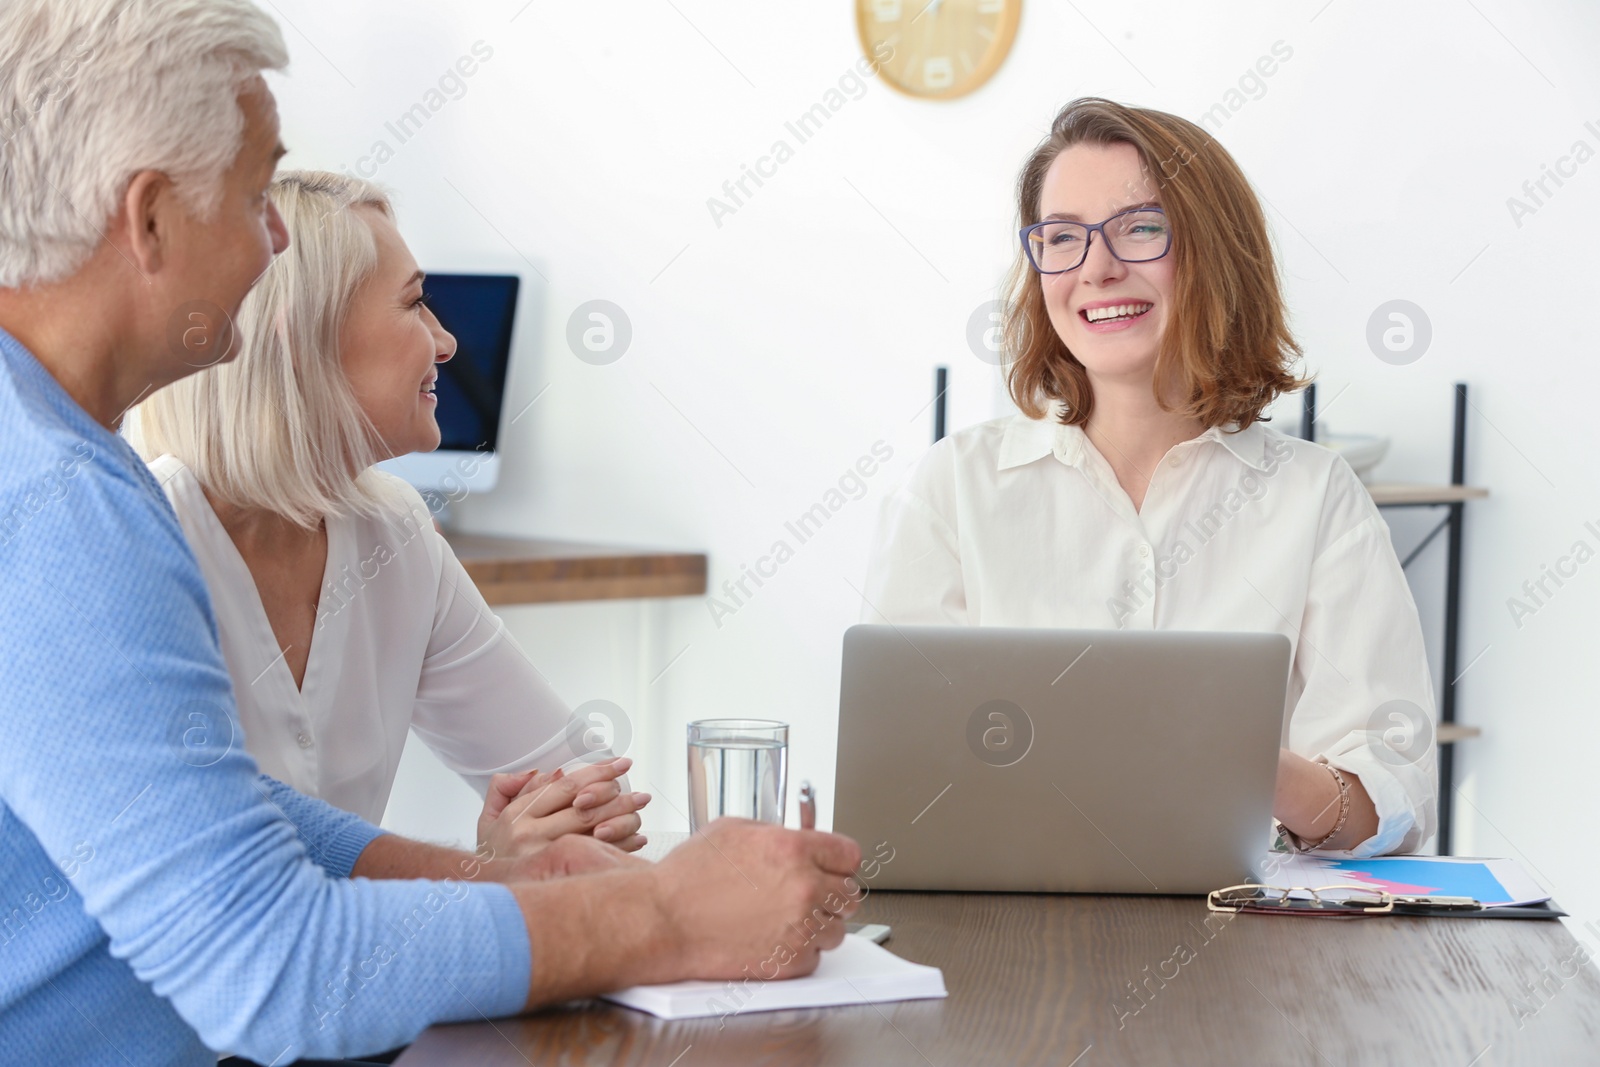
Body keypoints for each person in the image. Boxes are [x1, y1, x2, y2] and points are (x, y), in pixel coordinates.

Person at [0, 3, 861, 1064]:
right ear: (149, 219)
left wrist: (496, 881)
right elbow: (274, 966)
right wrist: (670, 914)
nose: (274, 237)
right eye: (257, 193)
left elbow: (223, 817)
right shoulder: (56, 503)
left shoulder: (70, 469)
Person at [863, 97, 1436, 858]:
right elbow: (895, 765)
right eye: (1062, 236)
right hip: (1012, 920)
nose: (1097, 267)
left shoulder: (1315, 496)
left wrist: (1248, 764)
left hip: (1244, 939)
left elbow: (1391, 805)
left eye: (1139, 227)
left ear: (1215, 253)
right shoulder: (956, 485)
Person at [132, 170, 647, 858]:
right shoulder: (140, 544)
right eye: (414, 306)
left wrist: (540, 839)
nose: (446, 342)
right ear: (300, 339)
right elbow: (206, 875)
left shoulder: (396, 536)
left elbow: (585, 796)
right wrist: (483, 872)